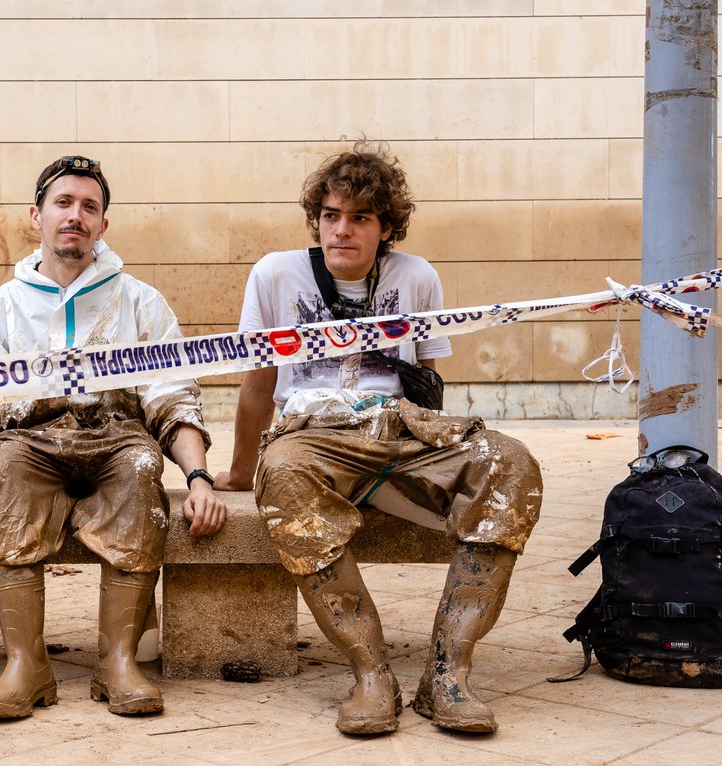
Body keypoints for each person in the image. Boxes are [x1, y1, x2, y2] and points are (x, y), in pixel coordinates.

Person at [214, 140, 543, 736]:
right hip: (312, 436)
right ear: (316, 220)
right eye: (331, 216)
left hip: (400, 430)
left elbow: (429, 382)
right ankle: (371, 673)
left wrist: (430, 455)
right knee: (283, 473)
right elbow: (258, 384)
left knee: (511, 462)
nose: (343, 230)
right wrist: (240, 471)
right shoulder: (275, 274)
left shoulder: (417, 278)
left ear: (385, 227)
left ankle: (449, 674)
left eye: (360, 218)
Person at [0, 155, 226, 721]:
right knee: (4, 468)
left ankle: (117, 662)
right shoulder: (0, 308)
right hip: (30, 442)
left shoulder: (141, 302)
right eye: (63, 203)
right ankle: (25, 665)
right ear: (35, 216)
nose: (76, 216)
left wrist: (200, 477)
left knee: (140, 470)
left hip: (116, 440)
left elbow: (172, 397)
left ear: (103, 226)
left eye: (90, 207)